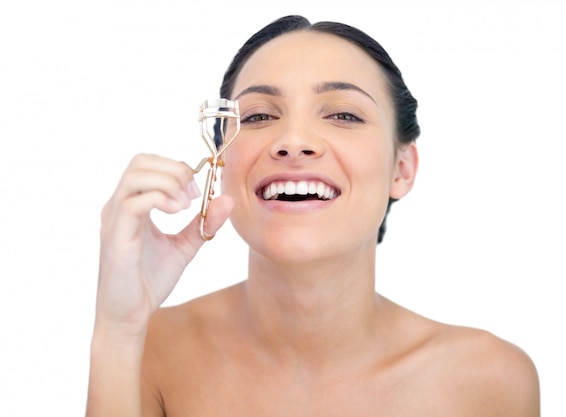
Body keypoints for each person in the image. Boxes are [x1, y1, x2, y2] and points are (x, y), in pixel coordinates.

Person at [86, 15, 540, 416]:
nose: (294, 140)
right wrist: (118, 332)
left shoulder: (489, 382)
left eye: (343, 114)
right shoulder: (148, 350)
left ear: (401, 170)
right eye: (260, 116)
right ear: (221, 162)